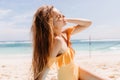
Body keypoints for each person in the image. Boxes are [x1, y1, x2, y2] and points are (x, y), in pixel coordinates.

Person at [31, 5, 92, 80]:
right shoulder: (57, 41)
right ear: (51, 24)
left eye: (61, 14)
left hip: (77, 70)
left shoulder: (65, 34)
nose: (63, 16)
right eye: (58, 16)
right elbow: (47, 67)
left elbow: (88, 23)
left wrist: (66, 19)